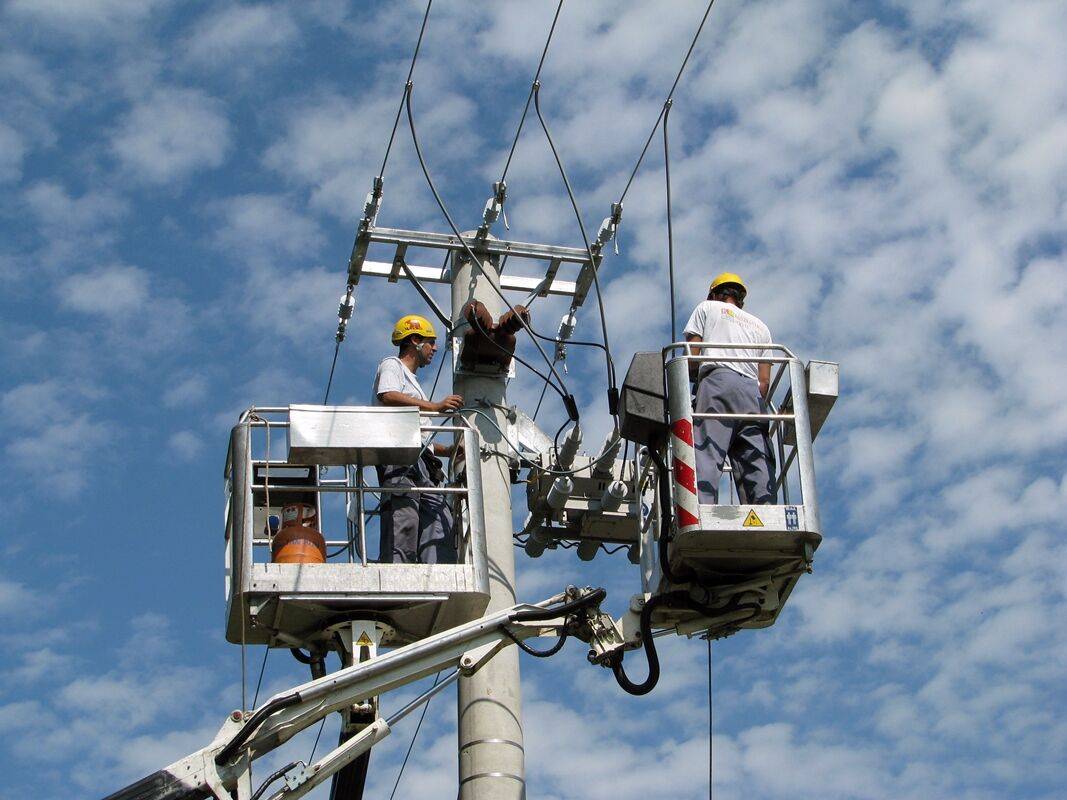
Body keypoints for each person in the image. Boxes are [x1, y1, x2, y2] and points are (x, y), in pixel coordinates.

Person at [372, 314, 463, 563]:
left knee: (439, 519)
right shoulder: (393, 365)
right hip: (399, 454)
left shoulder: (414, 384)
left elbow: (421, 436)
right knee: (405, 517)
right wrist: (435, 407)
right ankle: (398, 572)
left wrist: (449, 450)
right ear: (414, 340)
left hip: (422, 460)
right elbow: (387, 395)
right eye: (430, 342)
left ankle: (437, 576)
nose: (434, 348)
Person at [683, 272, 775, 505]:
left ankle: (701, 508)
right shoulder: (761, 326)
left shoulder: (707, 308)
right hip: (753, 395)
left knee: (707, 451)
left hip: (717, 382)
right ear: (740, 299)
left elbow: (693, 357)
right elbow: (764, 381)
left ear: (714, 294)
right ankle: (763, 510)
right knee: (755, 458)